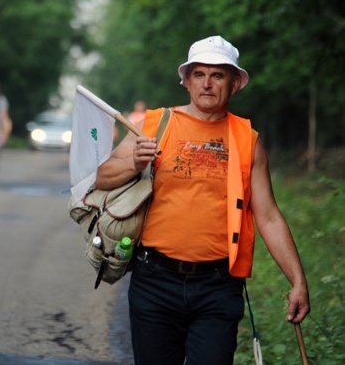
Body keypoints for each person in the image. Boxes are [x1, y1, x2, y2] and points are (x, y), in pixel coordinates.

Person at [95, 36, 310, 364]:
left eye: (218, 75)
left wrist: (297, 280)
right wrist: (133, 163)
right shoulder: (154, 124)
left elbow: (268, 216)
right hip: (155, 279)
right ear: (186, 81)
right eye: (199, 74)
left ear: (234, 83)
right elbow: (102, 177)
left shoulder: (247, 139)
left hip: (218, 287)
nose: (207, 84)